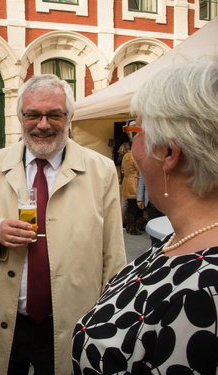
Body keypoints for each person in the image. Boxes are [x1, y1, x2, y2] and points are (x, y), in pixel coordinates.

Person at [0, 74, 127, 374]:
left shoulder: (101, 170)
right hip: (4, 322)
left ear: (69, 117)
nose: (43, 124)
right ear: (20, 117)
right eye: (33, 114)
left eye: (54, 114)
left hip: (71, 323)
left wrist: (110, 319)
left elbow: (114, 255)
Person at [72, 56, 218, 374]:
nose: (133, 144)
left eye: (135, 130)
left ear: (168, 151)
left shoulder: (202, 295)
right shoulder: (179, 238)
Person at [137, 171, 165, 245]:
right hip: (151, 201)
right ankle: (154, 247)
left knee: (165, 228)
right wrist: (140, 198)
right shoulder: (146, 160)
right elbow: (141, 179)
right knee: (154, 227)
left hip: (167, 201)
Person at [120, 140, 142, 235]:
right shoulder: (134, 156)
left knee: (128, 204)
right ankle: (132, 227)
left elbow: (122, 169)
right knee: (133, 205)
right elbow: (139, 169)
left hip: (126, 181)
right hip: (134, 182)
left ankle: (129, 226)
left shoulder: (125, 156)